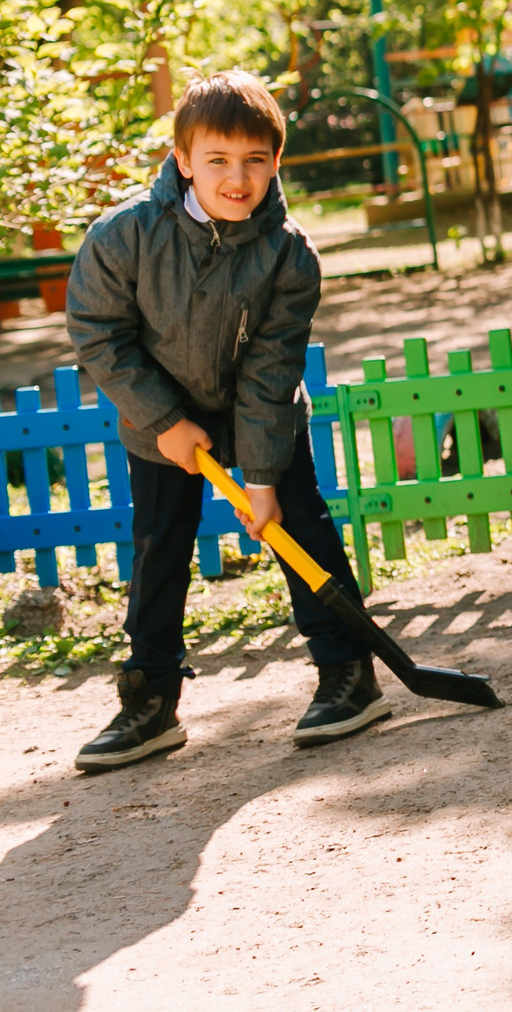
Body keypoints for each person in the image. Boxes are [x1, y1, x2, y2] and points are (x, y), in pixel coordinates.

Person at [66, 71, 387, 768]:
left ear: (276, 161)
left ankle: (348, 673)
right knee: (159, 546)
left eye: (254, 160)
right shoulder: (125, 234)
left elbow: (272, 369)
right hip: (159, 418)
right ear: (184, 159)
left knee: (299, 528)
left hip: (258, 414)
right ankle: (151, 699)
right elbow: (97, 331)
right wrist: (163, 420)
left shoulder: (289, 253)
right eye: (217, 159)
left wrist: (263, 477)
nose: (236, 178)